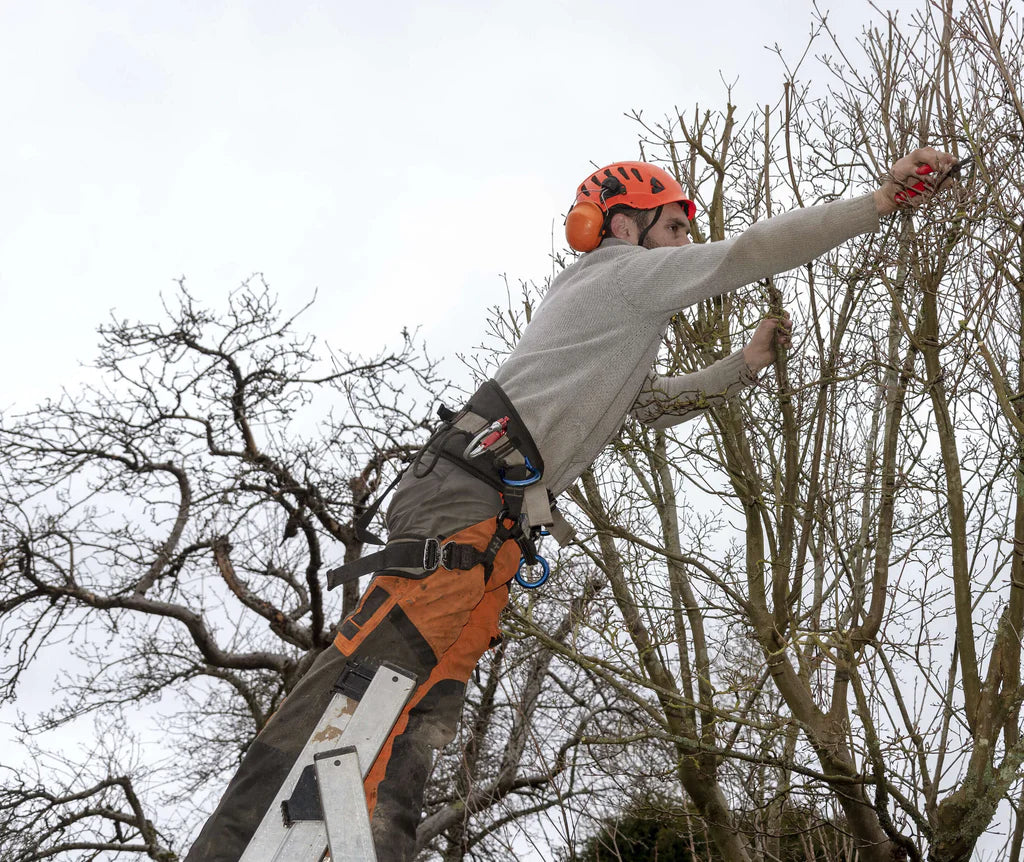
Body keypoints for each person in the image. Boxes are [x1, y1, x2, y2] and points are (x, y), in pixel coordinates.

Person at [186, 147, 958, 862]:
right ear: (625, 222)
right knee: (376, 672)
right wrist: (881, 201)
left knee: (422, 708)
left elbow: (646, 404)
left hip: (494, 521)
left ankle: (359, 846)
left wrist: (740, 366)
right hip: (465, 498)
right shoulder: (620, 274)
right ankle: (242, 843)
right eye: (675, 221)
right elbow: (744, 253)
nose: (688, 234)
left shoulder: (621, 321)